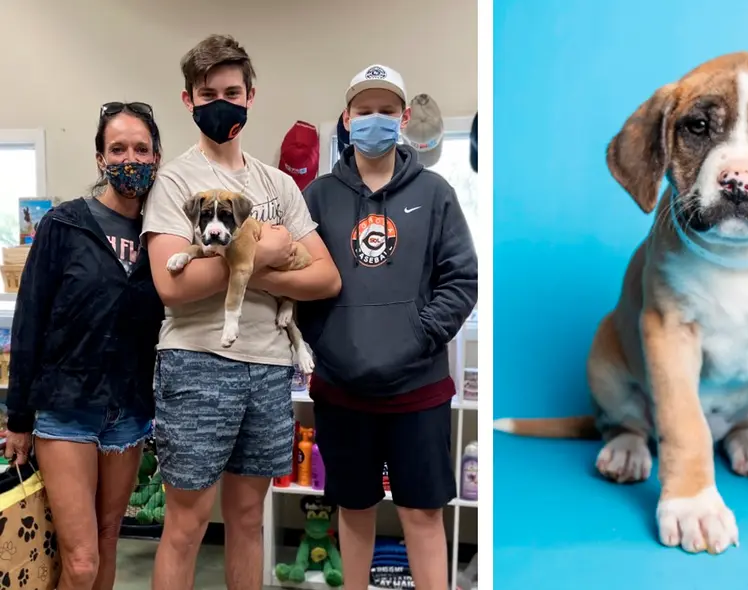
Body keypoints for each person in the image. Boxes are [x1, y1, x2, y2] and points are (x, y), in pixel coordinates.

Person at [140, 34, 341, 590]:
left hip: (270, 366)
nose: (221, 102)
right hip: (198, 363)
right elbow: (171, 285)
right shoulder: (176, 180)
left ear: (251, 95)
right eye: (208, 93)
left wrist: (255, 261)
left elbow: (325, 277)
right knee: (187, 524)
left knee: (250, 520)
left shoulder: (277, 184)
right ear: (189, 100)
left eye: (232, 90)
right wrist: (262, 252)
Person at [298, 64, 478, 590]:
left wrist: (419, 335)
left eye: (384, 110)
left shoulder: (437, 192)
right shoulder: (318, 196)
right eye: (363, 110)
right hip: (341, 391)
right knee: (354, 513)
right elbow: (300, 281)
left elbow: (461, 279)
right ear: (346, 118)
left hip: (417, 393)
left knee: (422, 516)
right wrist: (329, 344)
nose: (373, 120)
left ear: (402, 119)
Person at [0, 102, 165, 590]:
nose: (129, 158)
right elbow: (30, 320)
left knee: (109, 538)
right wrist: (19, 419)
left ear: (156, 157)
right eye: (117, 149)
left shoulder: (162, 234)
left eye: (140, 148)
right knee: (81, 560)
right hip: (66, 409)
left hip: (129, 411)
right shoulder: (64, 225)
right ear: (100, 158)